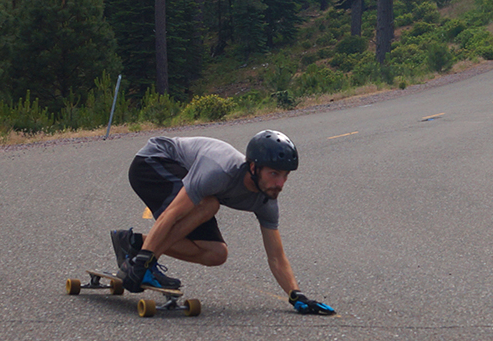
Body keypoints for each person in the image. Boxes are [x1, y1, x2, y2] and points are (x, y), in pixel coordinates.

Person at [111, 130, 335, 315]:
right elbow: (172, 214)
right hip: (152, 162)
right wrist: (144, 261)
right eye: (274, 173)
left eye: (285, 176)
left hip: (185, 177)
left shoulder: (266, 200)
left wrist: (296, 296)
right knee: (209, 205)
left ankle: (132, 242)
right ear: (254, 167)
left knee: (216, 253)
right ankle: (142, 258)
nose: (280, 183)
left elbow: (276, 256)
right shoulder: (220, 171)